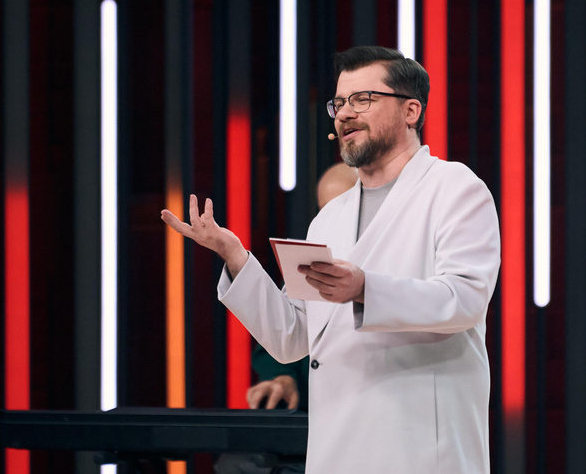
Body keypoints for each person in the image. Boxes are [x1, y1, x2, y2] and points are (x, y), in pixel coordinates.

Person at [162, 46, 500, 474]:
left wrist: (365, 288)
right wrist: (234, 256)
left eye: (363, 99)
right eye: (339, 103)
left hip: (418, 446)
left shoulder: (454, 187)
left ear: (411, 111)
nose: (345, 114)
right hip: (337, 446)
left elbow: (466, 299)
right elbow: (292, 338)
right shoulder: (329, 218)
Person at [245, 162, 358, 413]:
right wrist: (283, 379)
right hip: (316, 415)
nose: (334, 220)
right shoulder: (310, 265)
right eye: (326, 211)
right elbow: (286, 335)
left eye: (344, 209)